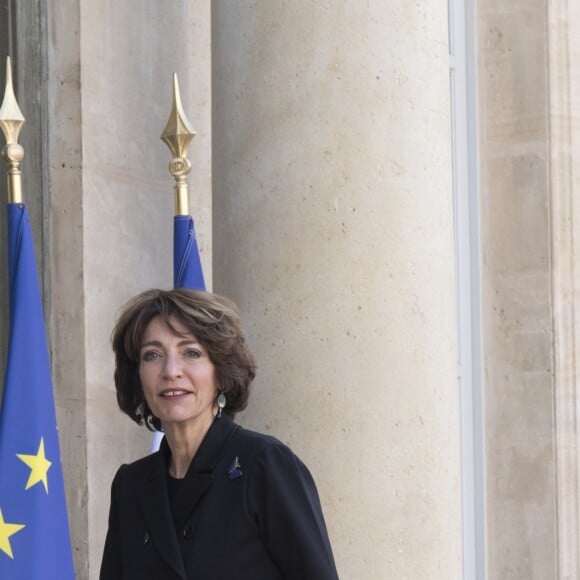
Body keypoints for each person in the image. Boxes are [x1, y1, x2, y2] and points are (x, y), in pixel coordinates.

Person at [99, 288, 340, 580]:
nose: (171, 370)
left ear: (221, 372)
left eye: (191, 352)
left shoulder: (263, 464)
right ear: (137, 375)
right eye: (153, 355)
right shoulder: (130, 486)